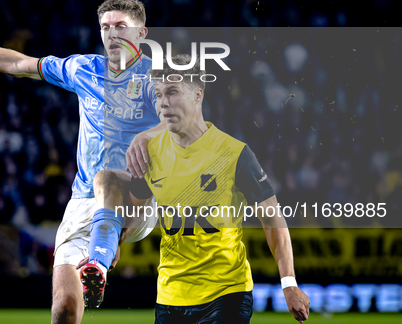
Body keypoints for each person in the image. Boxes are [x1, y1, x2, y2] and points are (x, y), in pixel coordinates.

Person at [0, 0, 164, 324]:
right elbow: (18, 64)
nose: (112, 34)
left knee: (109, 180)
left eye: (122, 27)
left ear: (141, 33)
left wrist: (148, 135)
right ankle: (99, 258)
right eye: (106, 27)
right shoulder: (84, 69)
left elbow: (178, 120)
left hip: (139, 195)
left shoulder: (156, 78)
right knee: (63, 309)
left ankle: (102, 254)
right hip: (83, 201)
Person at [90, 54, 310, 324]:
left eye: (172, 92)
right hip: (170, 297)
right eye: (158, 94)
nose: (163, 103)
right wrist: (116, 241)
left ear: (197, 94)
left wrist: (288, 283)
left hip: (226, 294)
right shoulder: (150, 154)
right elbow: (135, 208)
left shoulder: (234, 153)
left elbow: (272, 217)